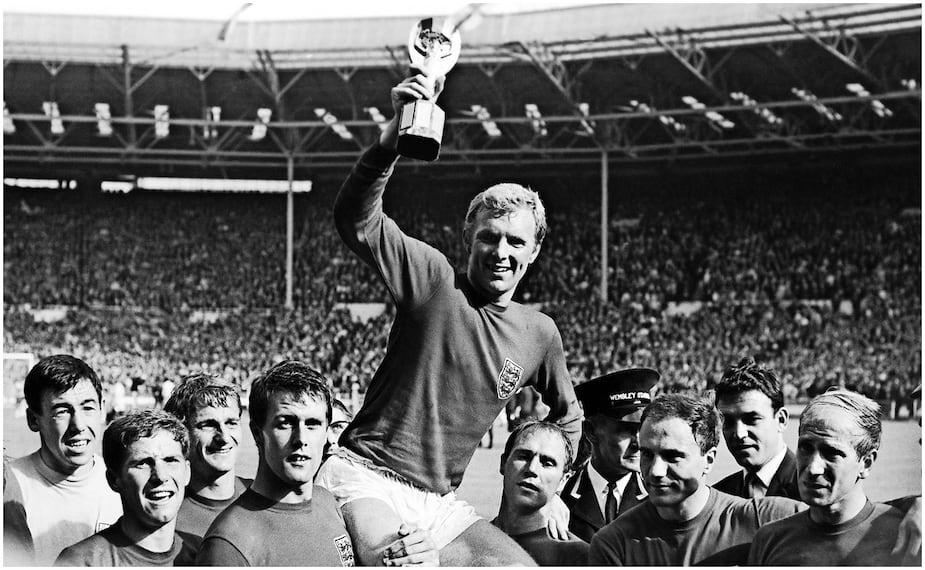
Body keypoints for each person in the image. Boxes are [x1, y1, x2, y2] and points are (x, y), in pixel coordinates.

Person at [318, 68, 582, 565]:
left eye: (516, 241)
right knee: (402, 562)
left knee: (518, 566)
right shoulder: (435, 281)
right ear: (470, 240)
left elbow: (568, 413)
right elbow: (357, 219)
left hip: (438, 502)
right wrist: (391, 139)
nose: (500, 251)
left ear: (534, 251)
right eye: (488, 237)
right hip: (366, 474)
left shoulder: (539, 334)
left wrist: (555, 484)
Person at [197, 360, 437, 566]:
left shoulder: (329, 503)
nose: (301, 439)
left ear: (326, 433)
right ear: (258, 433)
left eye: (312, 424)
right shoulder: (229, 545)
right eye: (285, 423)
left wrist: (413, 552)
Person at [589, 394, 804, 565]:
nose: (656, 471)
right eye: (647, 454)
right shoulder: (614, 544)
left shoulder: (762, 519)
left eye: (673, 456)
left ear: (708, 460)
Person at [748, 389, 921, 565]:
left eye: (831, 453)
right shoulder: (770, 540)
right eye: (806, 447)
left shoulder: (906, 536)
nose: (813, 468)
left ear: (866, 463)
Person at [3, 354, 122, 565]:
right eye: (62, 411)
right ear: (33, 420)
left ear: (102, 409)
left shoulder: (126, 483)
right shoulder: (9, 487)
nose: (78, 425)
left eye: (88, 407)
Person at [55, 409, 196, 566]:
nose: (161, 476)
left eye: (170, 460)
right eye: (142, 463)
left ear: (187, 472)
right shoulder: (83, 562)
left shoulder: (202, 554)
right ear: (114, 480)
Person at [562, 368, 658, 542]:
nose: (638, 443)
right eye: (626, 430)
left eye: (642, 430)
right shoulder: (560, 497)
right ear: (591, 432)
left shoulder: (659, 496)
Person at [163, 372, 251, 551]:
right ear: (181, 434)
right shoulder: (164, 518)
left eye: (231, 423)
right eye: (209, 425)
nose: (224, 437)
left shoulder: (263, 498)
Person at [492, 421, 590, 565]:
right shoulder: (467, 539)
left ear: (564, 479)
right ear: (503, 463)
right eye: (524, 456)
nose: (532, 468)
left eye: (547, 463)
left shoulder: (581, 558)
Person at [713, 357, 799, 500]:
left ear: (781, 420)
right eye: (728, 421)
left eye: (752, 419)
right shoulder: (720, 496)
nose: (739, 434)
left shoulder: (812, 492)